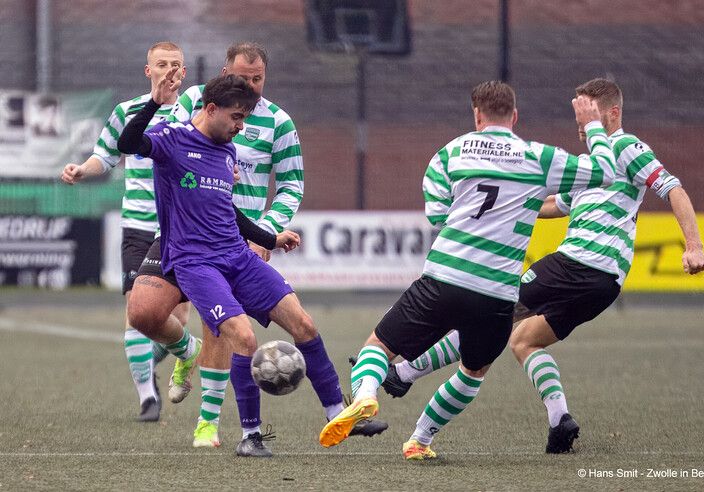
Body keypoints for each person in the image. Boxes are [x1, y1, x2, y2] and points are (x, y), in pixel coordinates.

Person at [375, 78, 704, 454]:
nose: (581, 126)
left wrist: (694, 246)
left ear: (612, 114)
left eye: (588, 116)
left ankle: (405, 372)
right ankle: (559, 420)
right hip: (605, 284)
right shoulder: (590, 166)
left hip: (580, 263)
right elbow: (552, 206)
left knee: (490, 312)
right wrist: (510, 206)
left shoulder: (625, 147)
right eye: (579, 118)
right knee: (523, 340)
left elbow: (672, 187)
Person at [319, 81, 617, 460]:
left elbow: (437, 213)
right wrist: (592, 124)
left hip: (443, 278)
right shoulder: (541, 157)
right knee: (473, 371)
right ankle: (419, 440)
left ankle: (364, 397)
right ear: (514, 116)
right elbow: (606, 172)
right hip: (496, 293)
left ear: (477, 115)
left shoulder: (452, 152)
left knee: (379, 345)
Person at [119, 72, 383, 458]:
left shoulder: (227, 151)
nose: (241, 127)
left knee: (304, 324)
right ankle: (250, 436)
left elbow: (227, 210)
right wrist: (155, 103)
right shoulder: (172, 141)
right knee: (243, 338)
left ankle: (338, 414)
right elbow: (128, 143)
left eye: (245, 118)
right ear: (211, 109)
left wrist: (269, 239)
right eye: (236, 118)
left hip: (237, 255)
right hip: (195, 263)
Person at [60, 41, 188, 422]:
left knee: (176, 319)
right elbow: (106, 154)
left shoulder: (196, 111)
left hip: (180, 227)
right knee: (136, 313)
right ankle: (148, 397)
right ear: (148, 70)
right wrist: (83, 169)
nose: (169, 70)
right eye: (161, 64)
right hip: (138, 223)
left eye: (176, 65)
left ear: (184, 72)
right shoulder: (127, 111)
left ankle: (166, 354)